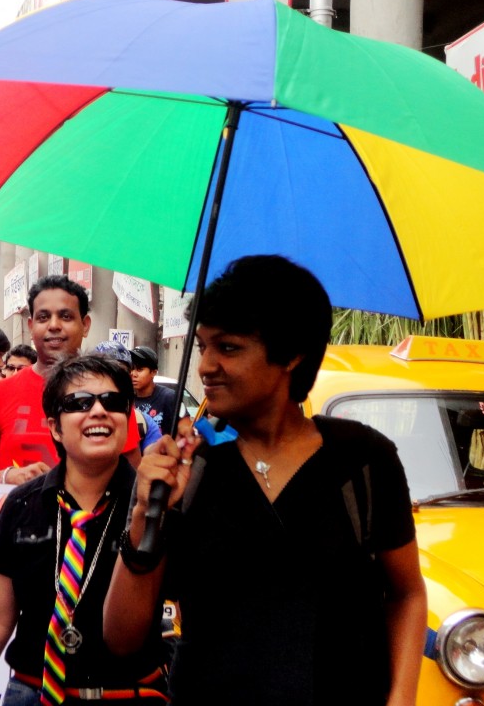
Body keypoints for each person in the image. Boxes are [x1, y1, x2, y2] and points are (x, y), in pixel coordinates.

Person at [104, 255, 426, 706]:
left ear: (292, 354)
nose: (205, 366)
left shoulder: (364, 460)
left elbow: (407, 593)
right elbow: (122, 637)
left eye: (229, 348)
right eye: (202, 347)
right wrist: (144, 514)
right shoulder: (188, 469)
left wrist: (401, 696)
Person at [0, 355, 170, 706]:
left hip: (129, 693)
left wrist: (154, 507)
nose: (98, 411)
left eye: (112, 402)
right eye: (79, 403)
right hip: (31, 693)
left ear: (128, 421)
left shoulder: (155, 507)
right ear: (55, 427)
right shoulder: (23, 505)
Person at [0, 276, 140, 485]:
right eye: (43, 317)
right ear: (31, 326)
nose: (54, 325)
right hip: (20, 515)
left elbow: (134, 483)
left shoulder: (109, 397)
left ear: (85, 325)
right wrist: (6, 477)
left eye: (66, 316)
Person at [92, 341, 160, 458]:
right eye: (104, 371)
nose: (112, 378)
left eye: (120, 372)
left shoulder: (143, 423)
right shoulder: (75, 418)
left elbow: (155, 458)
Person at [129, 346, 176, 435]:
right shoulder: (126, 399)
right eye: (131, 369)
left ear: (153, 372)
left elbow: (184, 431)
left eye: (140, 369)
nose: (133, 374)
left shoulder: (169, 397)